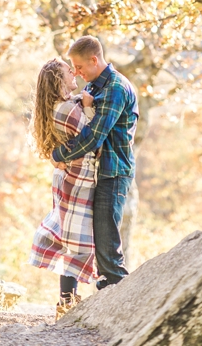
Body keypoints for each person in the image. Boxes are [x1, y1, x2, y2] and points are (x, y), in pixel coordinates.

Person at [52, 36, 139, 290]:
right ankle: (76, 300)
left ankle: (122, 304)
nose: (76, 73)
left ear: (94, 59)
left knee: (108, 245)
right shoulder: (94, 87)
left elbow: (94, 137)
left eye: (79, 67)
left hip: (113, 173)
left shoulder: (115, 88)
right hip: (94, 174)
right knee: (85, 239)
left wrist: (58, 155)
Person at [29, 58, 99, 320]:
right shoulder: (67, 109)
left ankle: (66, 301)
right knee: (75, 241)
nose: (74, 72)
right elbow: (90, 136)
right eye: (67, 71)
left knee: (70, 238)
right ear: (58, 80)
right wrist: (89, 108)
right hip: (77, 179)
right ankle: (66, 304)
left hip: (66, 176)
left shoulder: (61, 106)